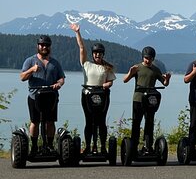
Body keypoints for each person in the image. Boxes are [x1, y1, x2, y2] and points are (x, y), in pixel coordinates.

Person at [71, 23, 116, 155]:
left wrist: (105, 85)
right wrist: (77, 32)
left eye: (100, 53)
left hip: (103, 95)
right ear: (93, 54)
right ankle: (89, 147)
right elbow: (81, 48)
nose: (97, 55)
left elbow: (110, 82)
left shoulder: (107, 67)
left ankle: (102, 147)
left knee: (101, 121)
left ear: (103, 54)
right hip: (87, 95)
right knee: (89, 121)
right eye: (96, 53)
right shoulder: (86, 64)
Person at [19, 35, 66, 156]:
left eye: (47, 45)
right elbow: (22, 77)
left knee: (50, 122)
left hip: (51, 97)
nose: (44, 47)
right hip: (35, 97)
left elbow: (61, 78)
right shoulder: (30, 61)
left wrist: (59, 84)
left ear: (50, 47)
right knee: (35, 122)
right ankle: (34, 146)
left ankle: (49, 146)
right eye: (42, 45)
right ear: (38, 46)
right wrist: (31, 70)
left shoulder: (55, 63)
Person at [123, 46, 171, 153]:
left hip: (150, 101)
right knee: (136, 123)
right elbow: (124, 80)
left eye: (150, 58)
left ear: (153, 58)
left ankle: (148, 146)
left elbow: (165, 84)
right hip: (138, 99)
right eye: (146, 58)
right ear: (143, 57)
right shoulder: (137, 67)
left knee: (149, 123)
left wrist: (167, 79)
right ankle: (133, 147)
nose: (148, 60)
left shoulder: (155, 69)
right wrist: (131, 73)